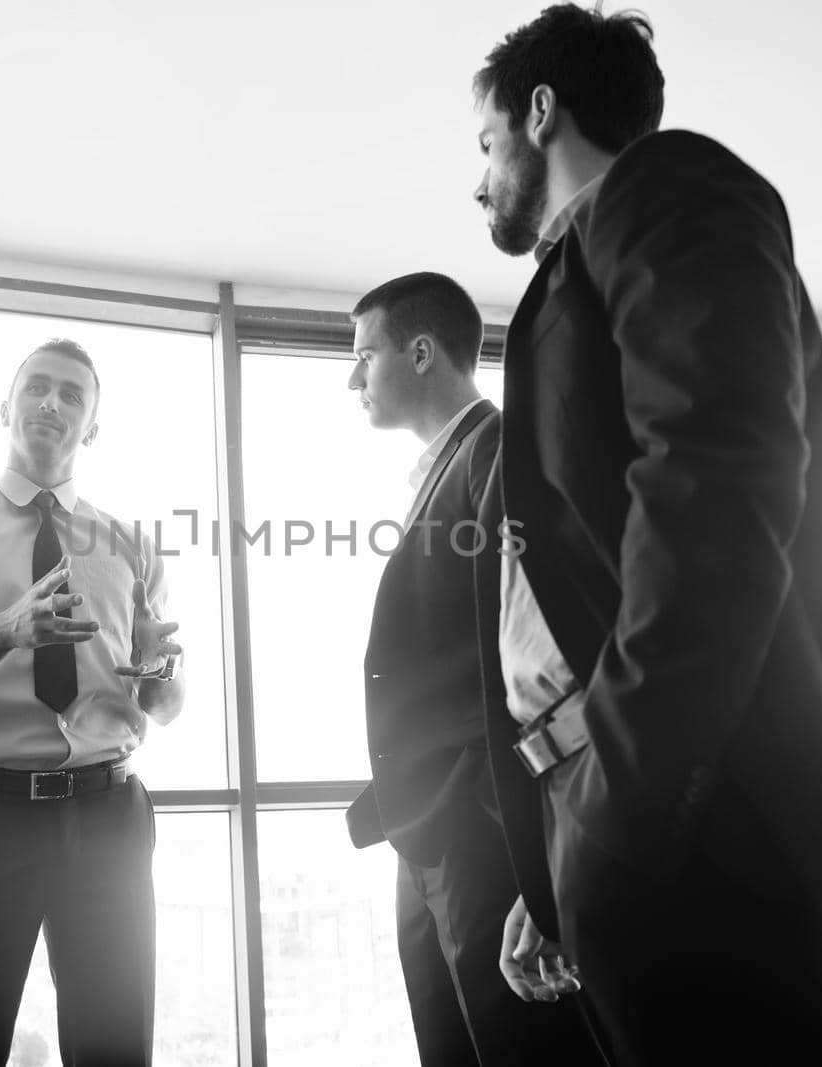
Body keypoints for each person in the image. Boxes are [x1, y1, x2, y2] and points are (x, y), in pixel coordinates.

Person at [468, 6, 822, 1064]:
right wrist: (554, 868)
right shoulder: (573, 268)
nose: (479, 175)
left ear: (540, 110)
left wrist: (623, 802)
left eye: (484, 141)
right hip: (619, 804)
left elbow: (715, 482)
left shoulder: (661, 184)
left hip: (693, 810)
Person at [343, 272, 608, 1066]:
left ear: (420, 353)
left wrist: (544, 861)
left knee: (523, 1046)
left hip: (488, 825)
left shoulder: (500, 455)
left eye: (365, 355)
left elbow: (553, 663)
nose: (353, 378)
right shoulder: (443, 465)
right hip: (427, 825)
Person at [0, 338, 184, 1067]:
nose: (51, 403)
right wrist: (7, 629)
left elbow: (168, 701)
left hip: (109, 815)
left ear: (90, 427)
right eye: (37, 387)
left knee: (117, 1051)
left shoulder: (130, 541)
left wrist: (156, 666)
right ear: (7, 406)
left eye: (71, 395)